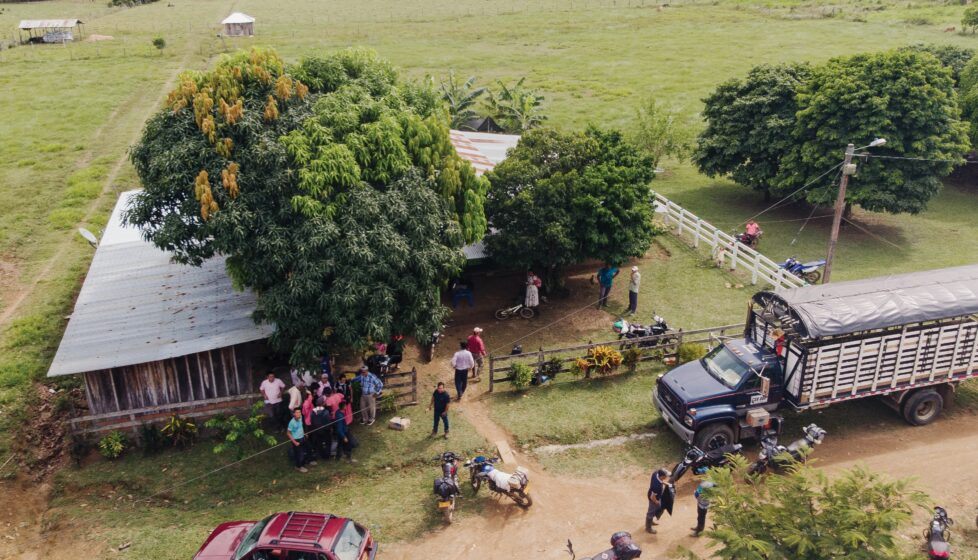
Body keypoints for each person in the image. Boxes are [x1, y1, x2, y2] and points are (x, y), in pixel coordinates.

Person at [287, 408, 317, 473]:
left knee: (309, 448)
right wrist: (294, 442)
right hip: (296, 440)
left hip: (303, 437)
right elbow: (288, 433)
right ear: (294, 414)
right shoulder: (291, 422)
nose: (299, 414)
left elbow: (301, 427)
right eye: (297, 412)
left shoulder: (300, 418)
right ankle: (298, 466)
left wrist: (304, 433)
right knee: (299, 454)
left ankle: (309, 461)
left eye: (299, 412)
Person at [646, 468, 671, 534]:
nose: (667, 476)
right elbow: (652, 497)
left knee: (659, 508)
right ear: (662, 476)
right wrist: (657, 502)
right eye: (666, 475)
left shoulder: (656, 473)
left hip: (656, 495)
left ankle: (651, 521)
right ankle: (648, 528)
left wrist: (664, 483)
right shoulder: (656, 486)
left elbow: (659, 480)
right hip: (653, 499)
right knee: (651, 512)